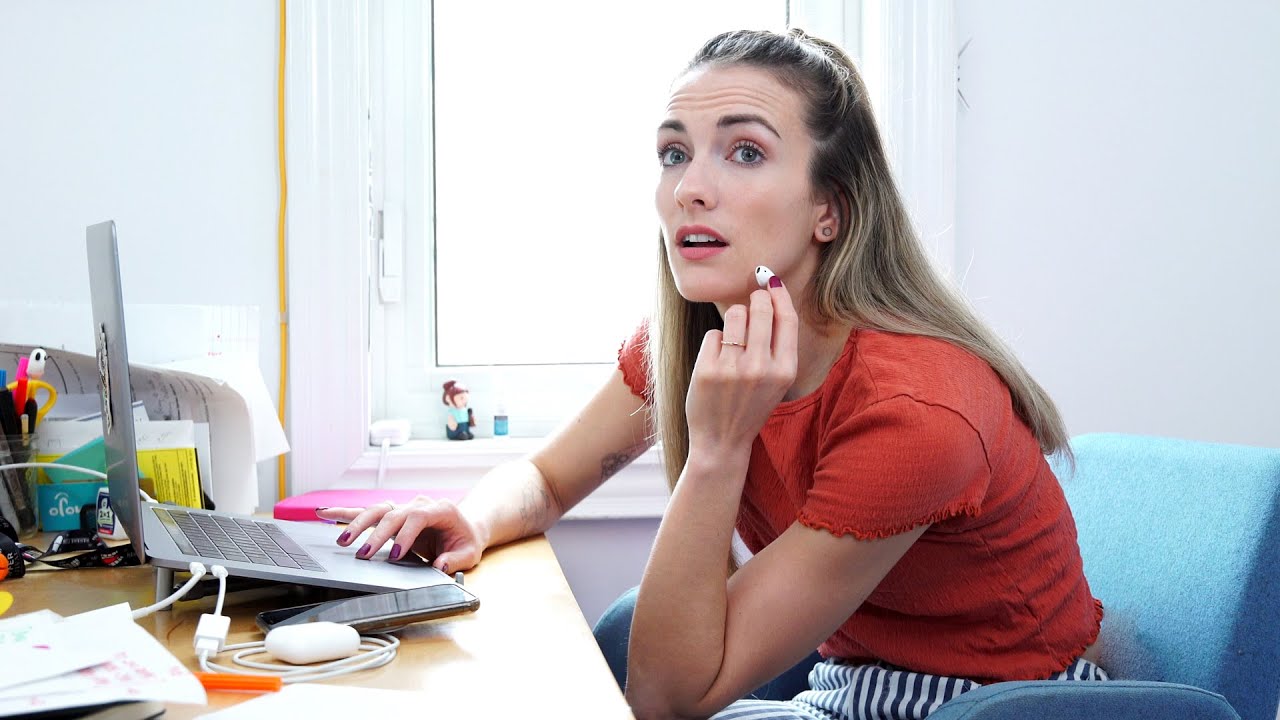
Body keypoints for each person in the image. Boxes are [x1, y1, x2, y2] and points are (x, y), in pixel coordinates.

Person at [317, 28, 1107, 720]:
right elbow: (547, 480)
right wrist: (474, 518)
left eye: (746, 152)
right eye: (673, 153)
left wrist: (719, 449)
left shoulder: (915, 412)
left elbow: (665, 698)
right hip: (845, 688)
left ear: (829, 209)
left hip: (994, 705)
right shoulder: (701, 334)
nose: (690, 187)